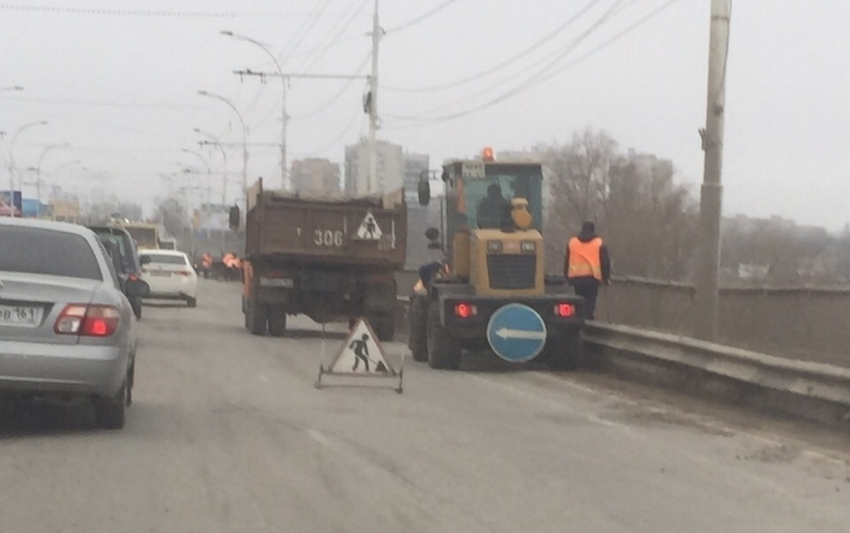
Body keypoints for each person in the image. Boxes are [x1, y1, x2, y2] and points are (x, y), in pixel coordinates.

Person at [564, 221, 611, 320]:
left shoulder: (573, 242)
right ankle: (588, 318)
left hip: (576, 277)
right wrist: (606, 278)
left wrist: (566, 277)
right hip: (592, 277)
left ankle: (579, 317)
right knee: (590, 300)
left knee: (579, 298)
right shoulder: (598, 243)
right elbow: (605, 262)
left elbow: (567, 260)